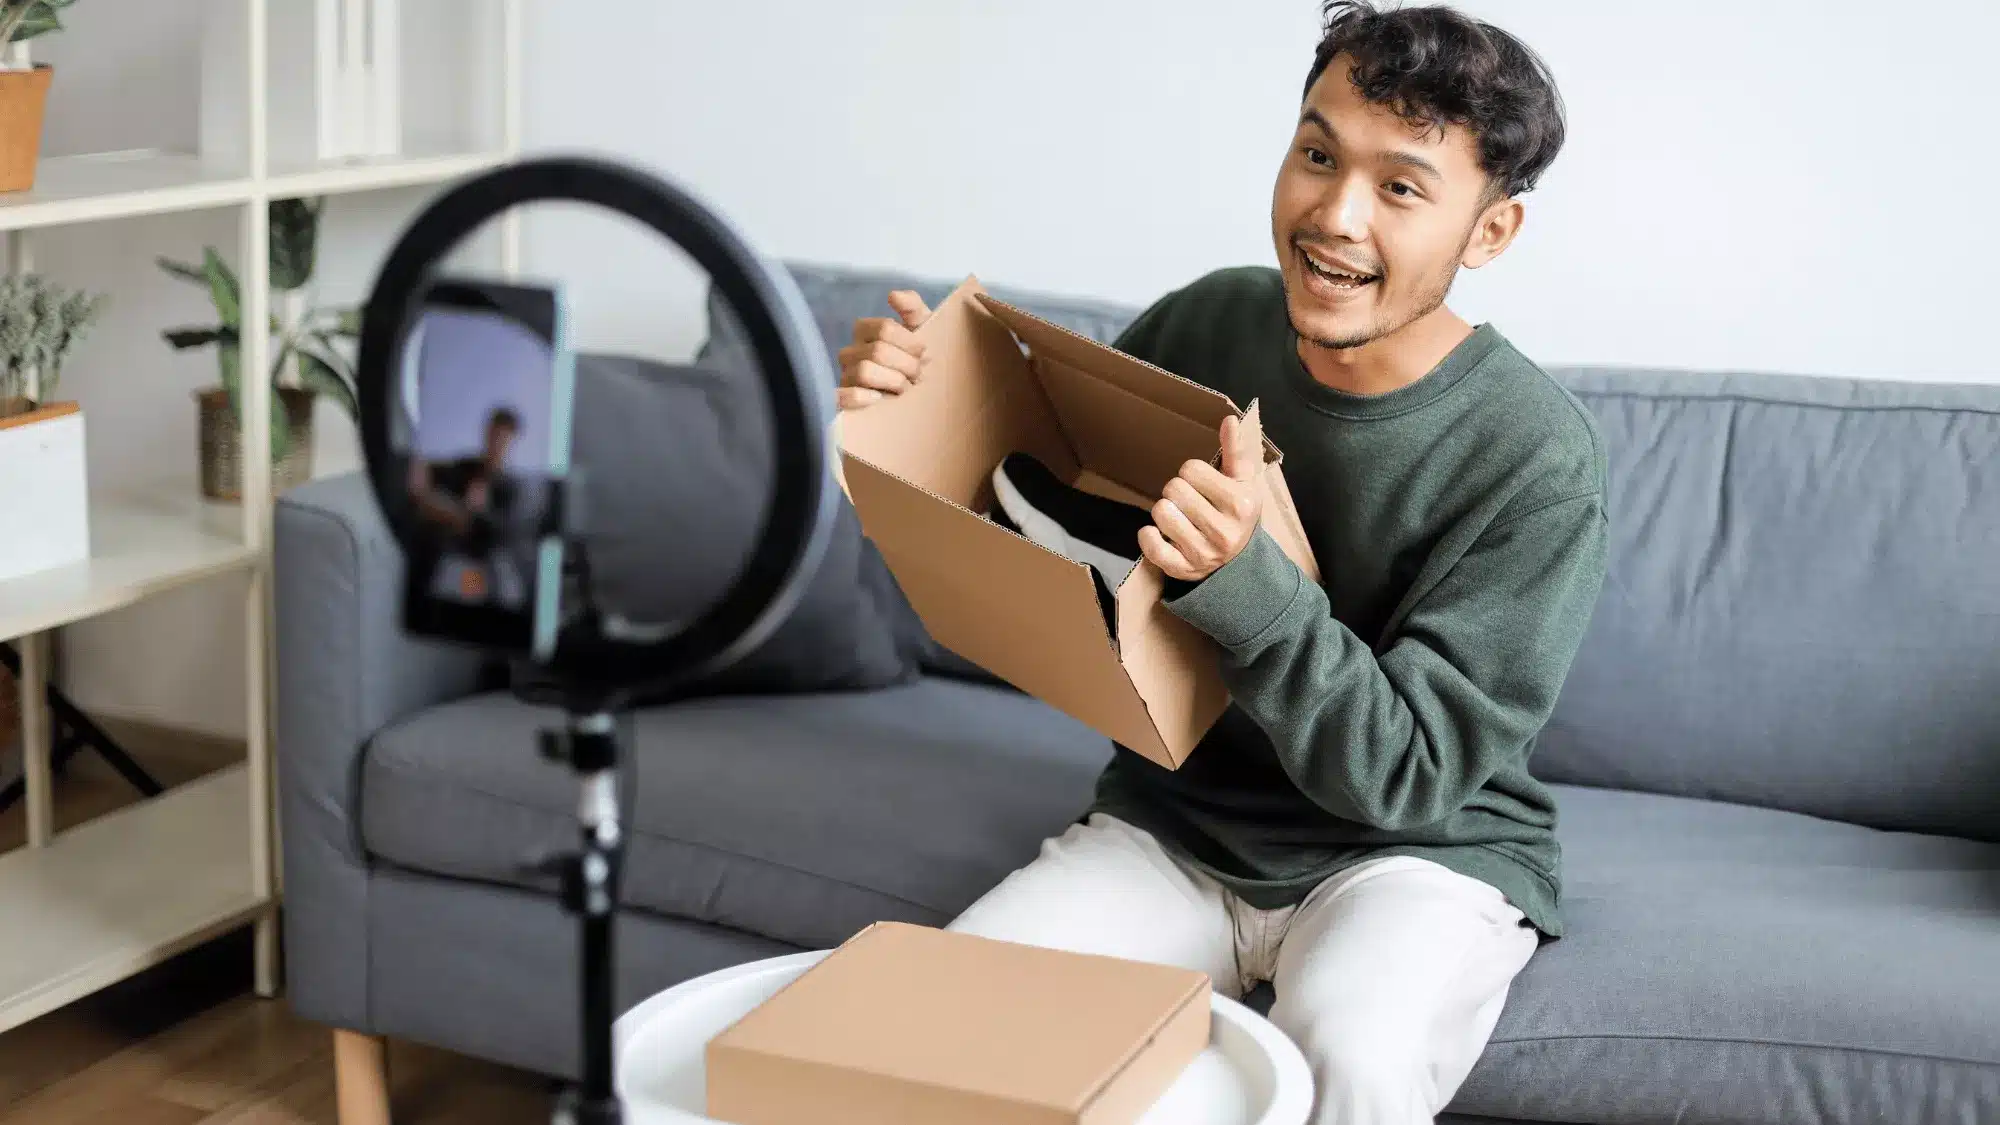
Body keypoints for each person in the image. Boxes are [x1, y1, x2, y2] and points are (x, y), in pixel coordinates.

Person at [836, 4, 1607, 1123]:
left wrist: (1250, 587)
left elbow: (1406, 775)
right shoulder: (1207, 323)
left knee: (1355, 1051)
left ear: (1488, 232)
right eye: (1317, 156)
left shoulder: (1535, 458)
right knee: (951, 1027)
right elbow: (1045, 530)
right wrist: (912, 417)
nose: (1334, 215)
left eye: (1400, 187)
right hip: (1177, 825)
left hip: (1416, 854)